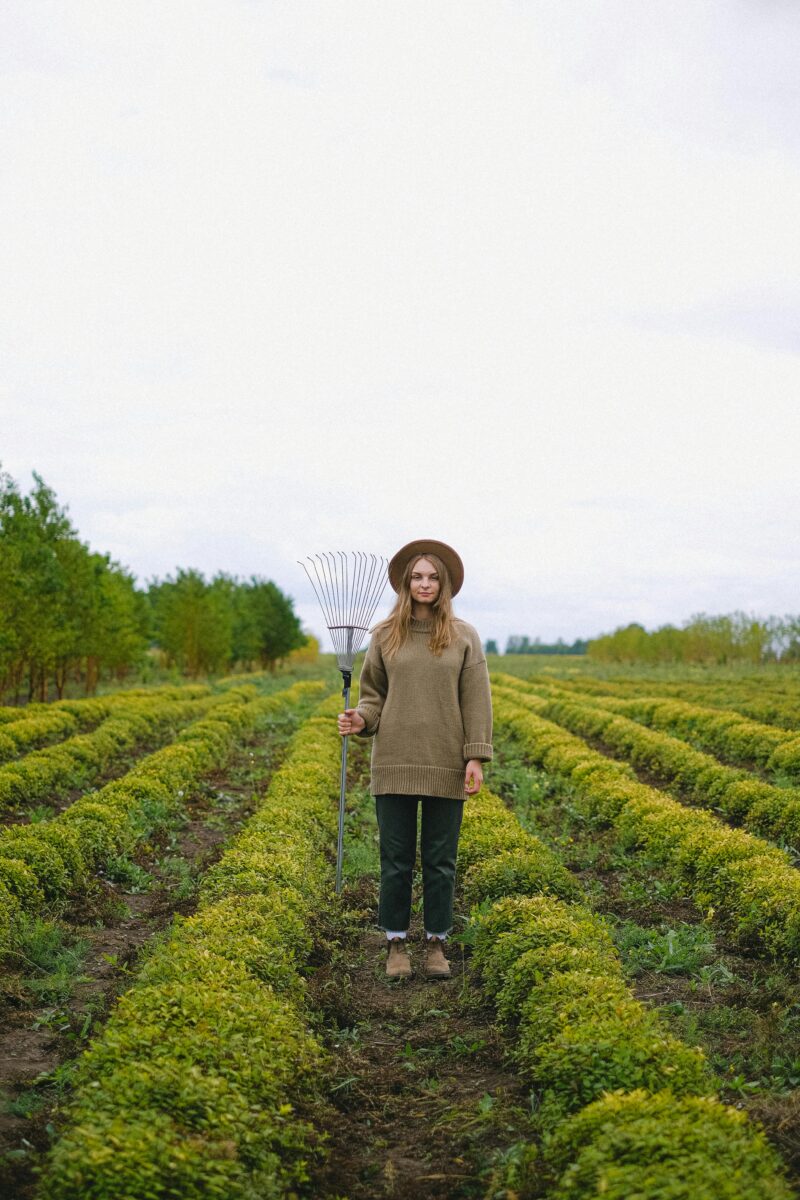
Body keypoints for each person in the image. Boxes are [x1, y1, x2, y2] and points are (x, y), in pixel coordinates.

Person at [336, 538, 493, 980]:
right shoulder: (385, 636)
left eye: (433, 577)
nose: (425, 584)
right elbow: (373, 699)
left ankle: (437, 944)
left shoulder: (464, 637)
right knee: (396, 860)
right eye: (418, 577)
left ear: (444, 585)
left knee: (441, 861)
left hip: (445, 762)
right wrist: (359, 721)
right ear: (406, 583)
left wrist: (475, 757)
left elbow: (476, 700)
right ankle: (396, 944)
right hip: (395, 762)